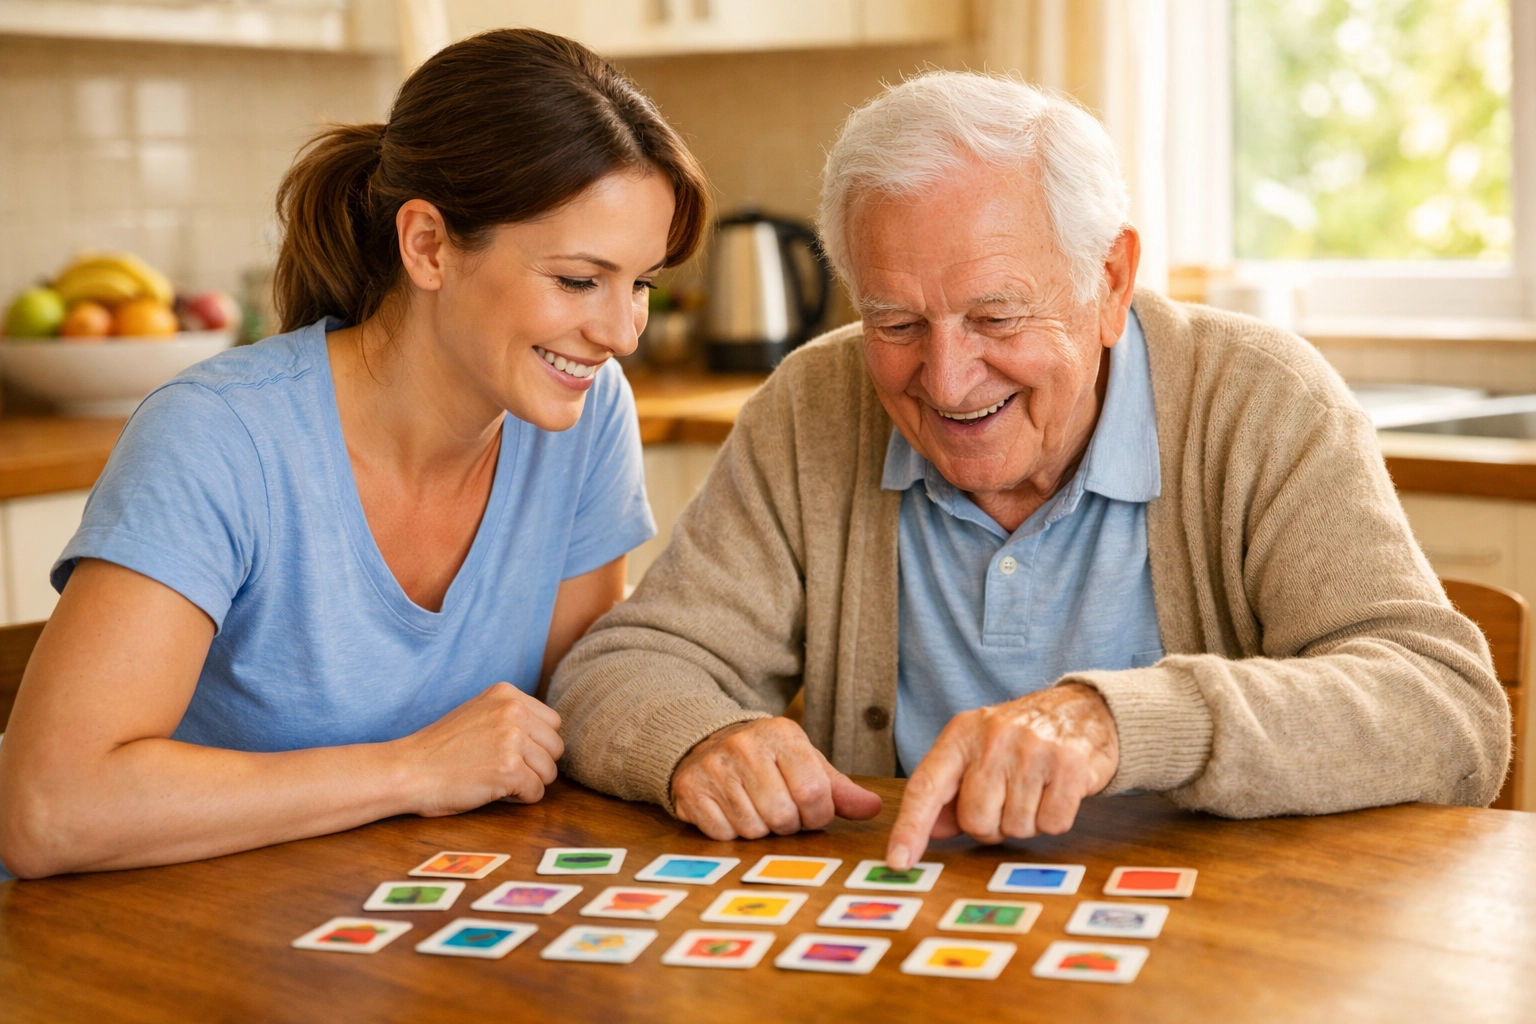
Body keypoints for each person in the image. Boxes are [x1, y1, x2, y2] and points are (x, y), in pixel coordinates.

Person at [548, 72, 1511, 870]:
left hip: (1211, 949)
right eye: (895, 323)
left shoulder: (1259, 399)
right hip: (899, 950)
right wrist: (700, 740)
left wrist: (1120, 721)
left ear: (1111, 283)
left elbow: (1445, 712)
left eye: (998, 317)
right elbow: (621, 669)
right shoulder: (815, 403)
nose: (948, 377)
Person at [0, 29, 708, 878]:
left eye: (642, 285)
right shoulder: (221, 438)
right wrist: (413, 768)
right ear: (429, 246)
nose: (622, 332)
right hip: (148, 946)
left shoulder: (583, 416)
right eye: (578, 280)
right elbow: (47, 810)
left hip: (403, 922)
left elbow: (576, 707)